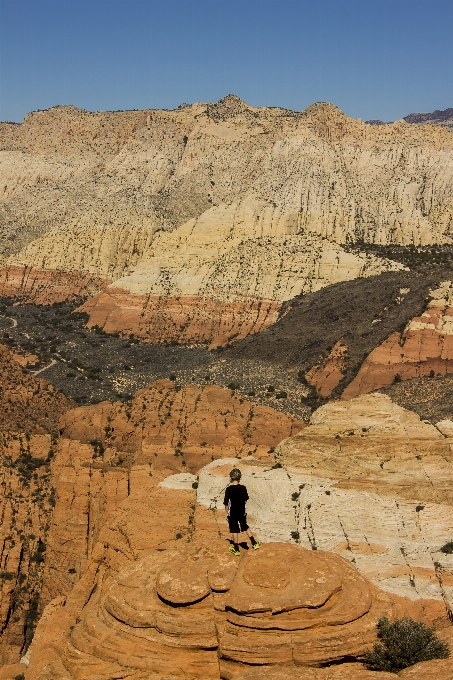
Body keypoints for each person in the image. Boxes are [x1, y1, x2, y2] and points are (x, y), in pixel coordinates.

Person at [224, 468, 260, 556]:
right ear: (240, 478)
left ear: (231, 478)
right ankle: (254, 543)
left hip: (232, 512)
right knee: (245, 526)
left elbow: (226, 503)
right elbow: (245, 500)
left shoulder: (228, 489)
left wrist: (226, 512)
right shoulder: (243, 488)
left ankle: (236, 549)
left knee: (234, 529)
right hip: (242, 511)